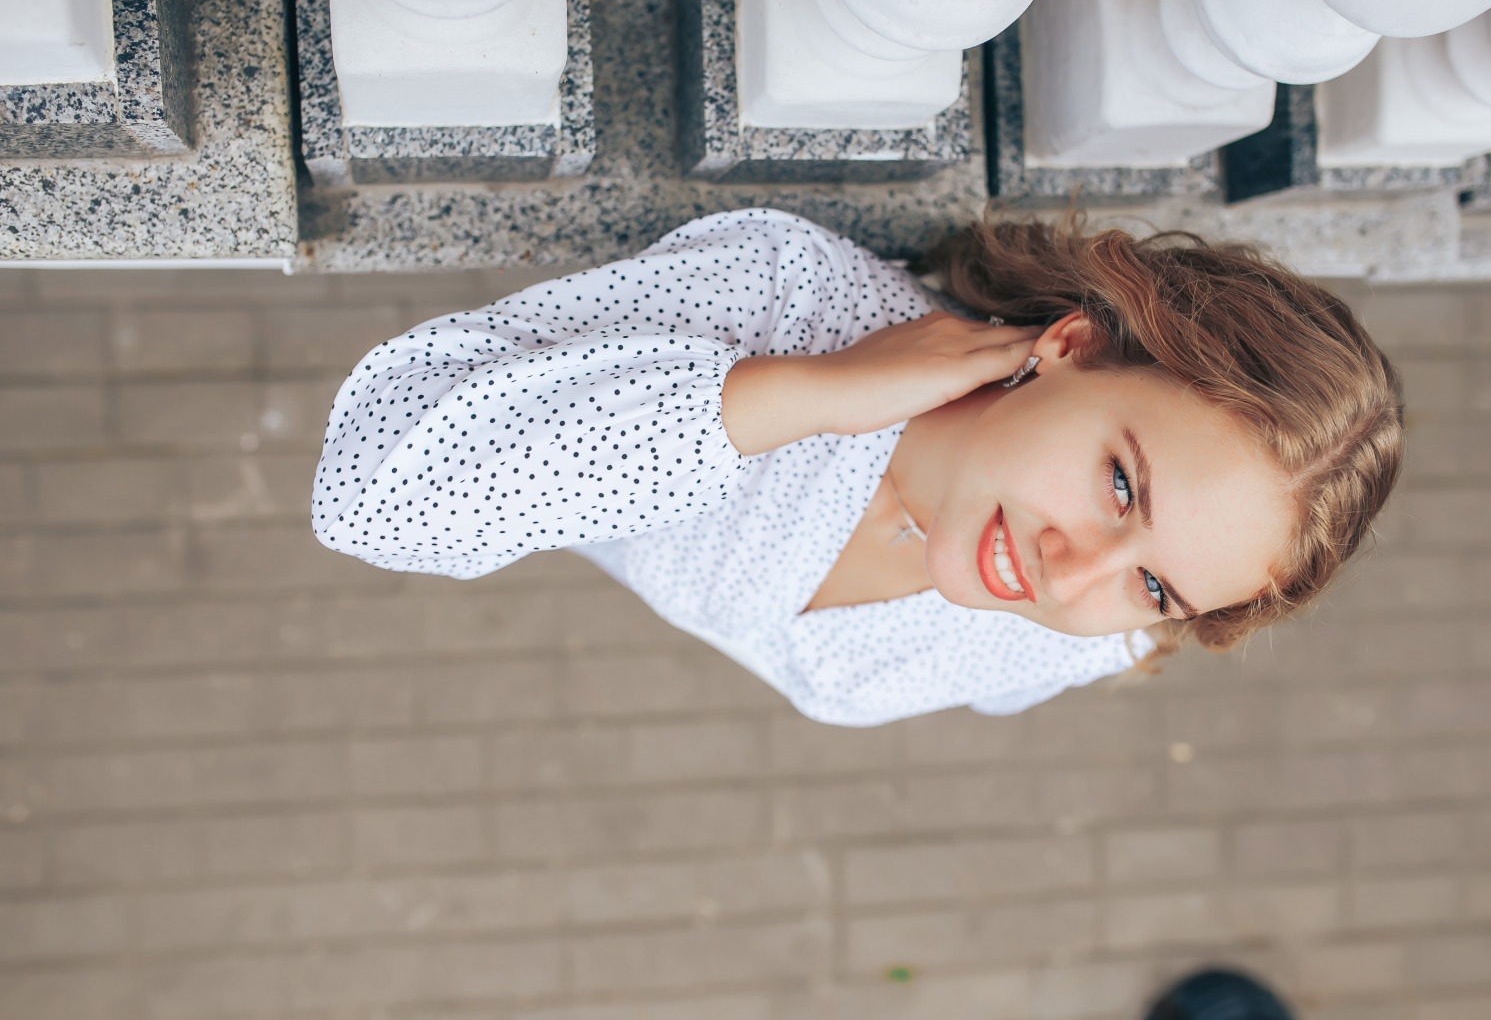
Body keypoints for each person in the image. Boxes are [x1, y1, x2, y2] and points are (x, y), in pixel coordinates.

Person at [312, 209, 1402, 726]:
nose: (1071, 576)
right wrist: (792, 398)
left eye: (1158, 580)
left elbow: (1100, 639)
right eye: (1122, 484)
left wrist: (1146, 614)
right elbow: (374, 498)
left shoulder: (1094, 634)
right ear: (1068, 347)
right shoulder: (790, 305)